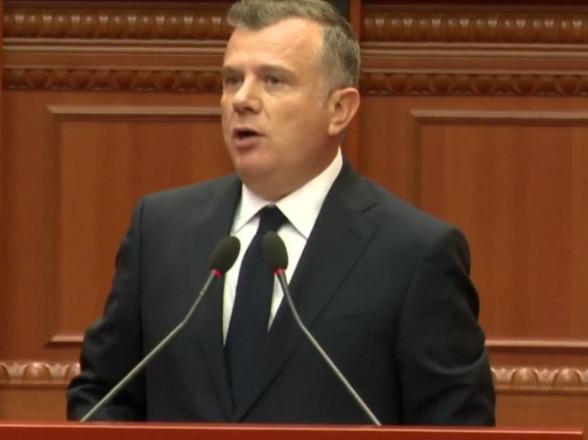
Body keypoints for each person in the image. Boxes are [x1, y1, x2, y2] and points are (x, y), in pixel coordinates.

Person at [66, 0, 495, 425]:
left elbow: (457, 427)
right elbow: (103, 395)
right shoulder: (161, 229)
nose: (242, 100)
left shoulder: (414, 253)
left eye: (273, 81)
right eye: (232, 80)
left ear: (339, 110)